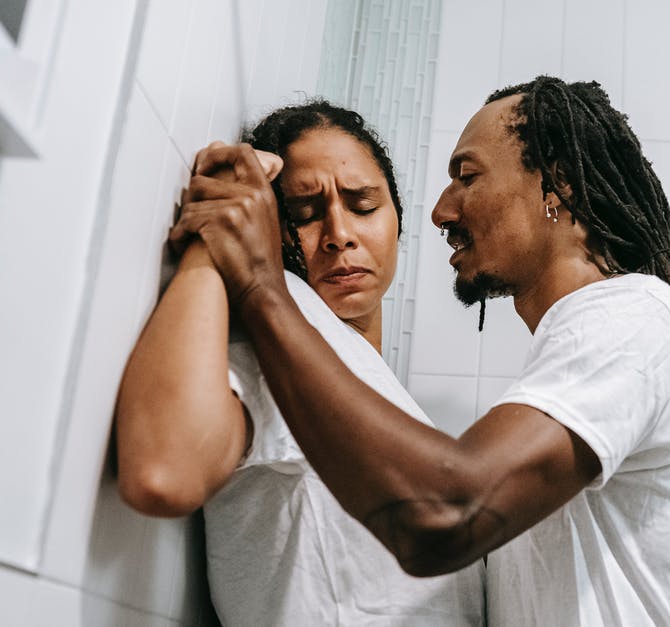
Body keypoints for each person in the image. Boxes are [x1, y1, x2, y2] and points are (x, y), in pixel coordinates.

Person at [174, 76, 670, 626]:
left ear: (558, 184)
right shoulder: (584, 354)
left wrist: (260, 285)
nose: (440, 212)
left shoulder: (635, 316)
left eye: (467, 176)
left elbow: (445, 512)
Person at [115, 100, 484, 626]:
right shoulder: (284, 320)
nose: (339, 234)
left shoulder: (361, 372)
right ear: (272, 228)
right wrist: (219, 240)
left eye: (362, 204)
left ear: (397, 217)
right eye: (305, 215)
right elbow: (162, 472)